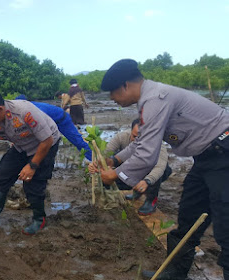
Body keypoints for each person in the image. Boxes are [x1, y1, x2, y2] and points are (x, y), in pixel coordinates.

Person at [98, 59, 229, 280]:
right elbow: (143, 142)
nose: (112, 98)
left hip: (224, 154)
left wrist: (115, 175)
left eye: (113, 92)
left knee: (226, 226)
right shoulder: (148, 101)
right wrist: (116, 160)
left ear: (126, 86)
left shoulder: (155, 99)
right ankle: (175, 274)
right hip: (206, 159)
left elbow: (147, 155)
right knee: (189, 217)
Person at [0, 90, 60, 235]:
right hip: (21, 146)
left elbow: (47, 140)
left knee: (32, 183)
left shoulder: (25, 112)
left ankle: (39, 219)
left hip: (46, 144)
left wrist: (32, 165)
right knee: (1, 177)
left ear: (0, 109)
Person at [90, 118, 171, 215]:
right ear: (131, 130)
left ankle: (151, 201)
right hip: (133, 168)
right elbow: (109, 153)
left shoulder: (157, 145)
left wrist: (147, 181)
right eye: (134, 136)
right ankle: (137, 192)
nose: (137, 140)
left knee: (153, 168)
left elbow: (159, 167)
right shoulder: (123, 137)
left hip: (155, 172)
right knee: (116, 161)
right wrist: (99, 163)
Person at [15, 94, 92, 160]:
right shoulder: (26, 108)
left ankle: (93, 159)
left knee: (77, 141)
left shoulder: (33, 109)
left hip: (62, 120)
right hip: (52, 121)